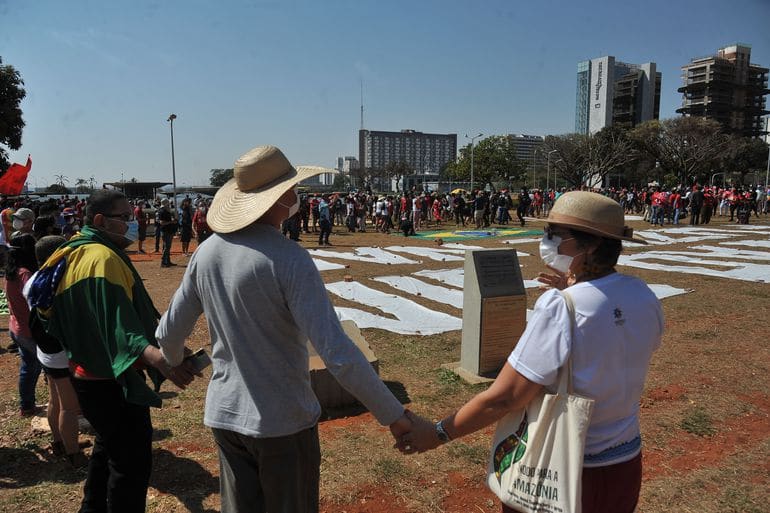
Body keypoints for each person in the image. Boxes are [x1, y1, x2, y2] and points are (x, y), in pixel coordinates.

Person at [155, 145, 411, 513]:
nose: (296, 194)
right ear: (278, 198)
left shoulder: (207, 253)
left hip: (225, 415)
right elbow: (336, 352)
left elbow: (168, 333)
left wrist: (175, 360)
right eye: (292, 188)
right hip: (282, 420)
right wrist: (395, 415)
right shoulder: (288, 257)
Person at [399, 191, 664, 513]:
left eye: (555, 233)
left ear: (591, 245)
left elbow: (506, 396)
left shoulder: (560, 305)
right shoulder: (643, 294)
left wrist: (438, 433)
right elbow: (613, 342)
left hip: (563, 469)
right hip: (624, 463)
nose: (546, 240)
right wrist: (575, 291)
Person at [28, 190, 198, 513]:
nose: (131, 224)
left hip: (84, 374)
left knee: (107, 447)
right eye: (124, 218)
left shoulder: (70, 252)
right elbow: (120, 330)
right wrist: (164, 361)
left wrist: (170, 345)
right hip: (110, 380)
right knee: (130, 465)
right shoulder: (102, 259)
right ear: (100, 220)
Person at [26, 235, 86, 466]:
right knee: (69, 406)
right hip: (60, 352)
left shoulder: (34, 280)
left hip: (45, 350)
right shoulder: (58, 281)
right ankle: (73, 454)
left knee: (54, 400)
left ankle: (59, 442)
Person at [5, 233, 41, 416]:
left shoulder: (12, 271)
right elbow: (35, 304)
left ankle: (26, 405)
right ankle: (28, 405)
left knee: (29, 367)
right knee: (40, 367)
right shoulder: (25, 274)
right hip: (27, 330)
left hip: (16, 326)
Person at [157, 198, 177, 267]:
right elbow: (162, 222)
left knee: (167, 247)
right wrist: (171, 222)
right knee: (167, 247)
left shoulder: (165, 211)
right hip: (166, 231)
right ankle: (163, 262)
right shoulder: (162, 211)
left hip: (168, 230)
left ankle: (167, 261)